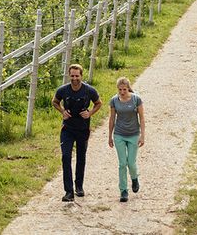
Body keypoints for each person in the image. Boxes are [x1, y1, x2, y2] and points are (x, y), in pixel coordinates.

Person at [53, 63, 102, 202]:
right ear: (69, 75)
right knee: (66, 157)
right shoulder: (63, 90)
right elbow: (55, 102)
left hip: (82, 128)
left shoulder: (89, 90)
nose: (75, 78)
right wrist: (62, 111)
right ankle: (68, 192)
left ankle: (79, 186)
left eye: (77, 76)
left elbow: (98, 103)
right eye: (72, 76)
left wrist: (90, 113)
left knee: (81, 157)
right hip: (67, 129)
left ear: (81, 76)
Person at [108, 76, 145, 202]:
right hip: (119, 134)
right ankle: (123, 190)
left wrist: (142, 135)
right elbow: (112, 118)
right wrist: (110, 136)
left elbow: (142, 118)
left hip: (133, 134)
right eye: (120, 90)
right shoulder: (114, 100)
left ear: (128, 88)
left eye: (124, 89)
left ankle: (134, 178)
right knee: (122, 164)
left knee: (131, 163)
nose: (122, 92)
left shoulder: (136, 99)